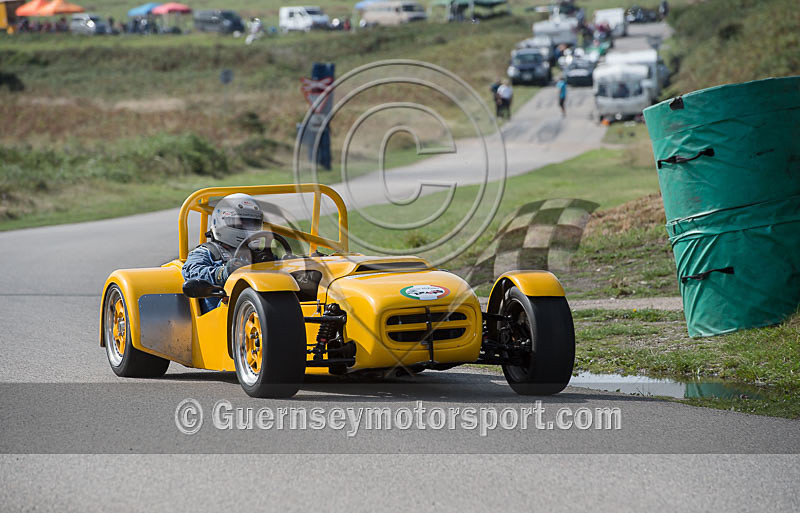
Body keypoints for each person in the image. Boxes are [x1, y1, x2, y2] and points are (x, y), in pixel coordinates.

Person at [182, 193, 271, 313]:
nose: (248, 228)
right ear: (222, 221)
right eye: (242, 223)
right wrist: (222, 273)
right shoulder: (206, 252)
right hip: (219, 316)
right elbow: (190, 272)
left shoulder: (260, 255)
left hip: (263, 310)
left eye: (252, 223)